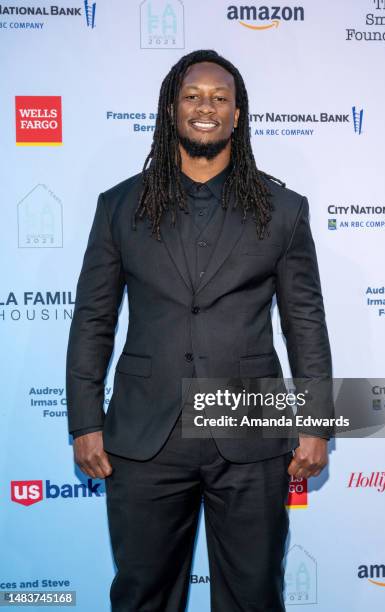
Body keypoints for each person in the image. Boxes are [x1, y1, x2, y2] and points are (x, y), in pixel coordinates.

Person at [66, 49, 333, 612]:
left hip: (250, 432)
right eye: (192, 96)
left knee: (253, 597)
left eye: (220, 98)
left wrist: (315, 425)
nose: (205, 107)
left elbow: (304, 321)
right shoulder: (119, 207)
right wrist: (85, 421)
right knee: (143, 597)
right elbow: (93, 318)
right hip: (145, 435)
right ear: (170, 110)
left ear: (239, 115)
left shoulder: (282, 210)